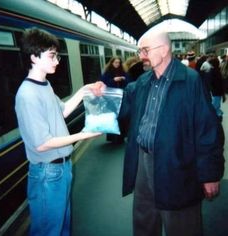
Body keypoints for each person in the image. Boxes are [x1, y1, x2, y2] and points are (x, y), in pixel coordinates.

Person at [118, 30, 224, 236]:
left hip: (178, 163)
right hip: (143, 162)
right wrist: (101, 92)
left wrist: (210, 174)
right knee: (144, 220)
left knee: (182, 223)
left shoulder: (190, 81)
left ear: (165, 49)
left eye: (145, 50)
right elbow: (123, 106)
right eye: (140, 51)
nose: (141, 56)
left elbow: (208, 131)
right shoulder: (143, 82)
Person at [15, 28, 103, 236]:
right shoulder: (27, 95)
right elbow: (42, 143)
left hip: (62, 169)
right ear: (34, 57)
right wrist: (85, 133)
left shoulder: (44, 85)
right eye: (52, 56)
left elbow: (62, 111)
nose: (57, 61)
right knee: (48, 231)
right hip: (47, 172)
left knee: (62, 226)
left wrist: (84, 90)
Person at [101, 56, 128, 144]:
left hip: (121, 97)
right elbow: (103, 83)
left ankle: (121, 137)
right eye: (115, 62)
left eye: (118, 63)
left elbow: (129, 81)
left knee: (121, 118)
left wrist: (124, 79)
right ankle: (112, 138)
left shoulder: (123, 72)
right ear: (112, 63)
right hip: (111, 98)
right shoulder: (107, 73)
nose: (117, 64)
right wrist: (113, 80)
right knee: (112, 118)